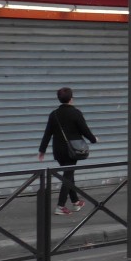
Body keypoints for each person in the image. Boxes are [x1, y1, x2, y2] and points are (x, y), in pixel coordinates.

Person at [37, 86, 97, 216]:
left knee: (68, 174)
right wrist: (93, 140)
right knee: (68, 175)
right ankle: (60, 206)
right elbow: (84, 130)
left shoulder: (54, 115)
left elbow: (47, 134)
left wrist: (42, 150)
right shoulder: (75, 113)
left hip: (58, 151)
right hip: (72, 150)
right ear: (71, 99)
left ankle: (75, 202)